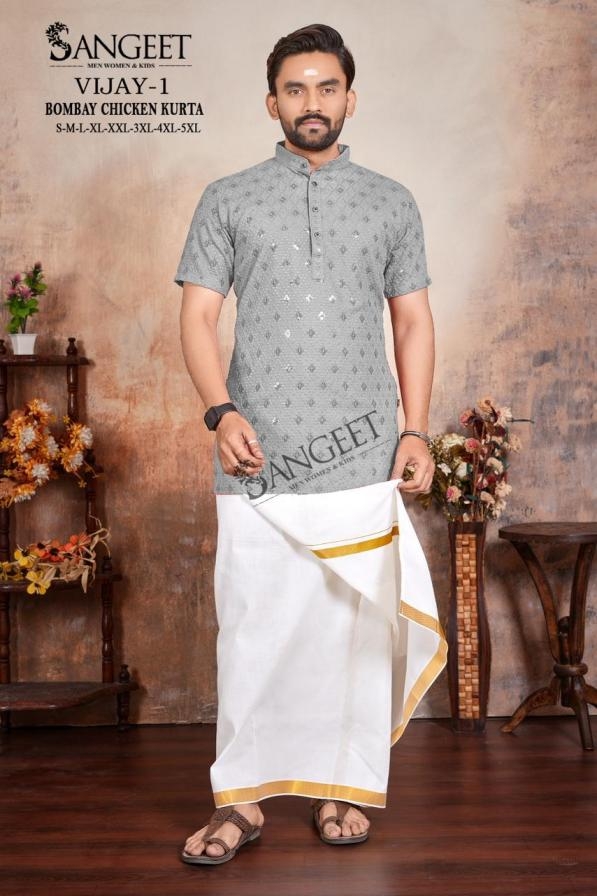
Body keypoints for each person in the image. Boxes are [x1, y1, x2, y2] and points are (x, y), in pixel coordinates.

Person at [175, 23, 446, 865]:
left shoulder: (391, 201)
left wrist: (413, 428)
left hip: (360, 455)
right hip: (257, 459)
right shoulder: (228, 197)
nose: (311, 102)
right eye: (295, 89)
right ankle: (240, 802)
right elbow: (197, 315)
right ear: (272, 104)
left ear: (349, 99)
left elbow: (412, 322)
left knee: (351, 630)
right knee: (250, 627)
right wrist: (220, 412)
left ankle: (343, 788)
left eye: (326, 87)